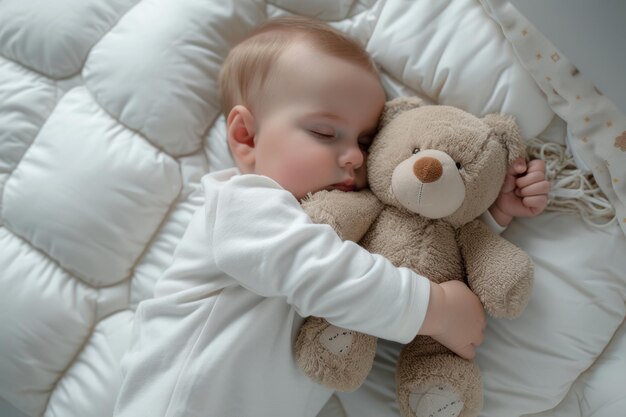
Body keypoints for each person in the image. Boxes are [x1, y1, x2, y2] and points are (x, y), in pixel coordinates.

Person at [113, 16, 549, 417]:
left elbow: (413, 252)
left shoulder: (345, 231)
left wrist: (491, 215)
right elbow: (321, 274)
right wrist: (436, 311)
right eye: (325, 132)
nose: (355, 156)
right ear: (246, 137)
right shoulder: (241, 205)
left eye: (366, 139)